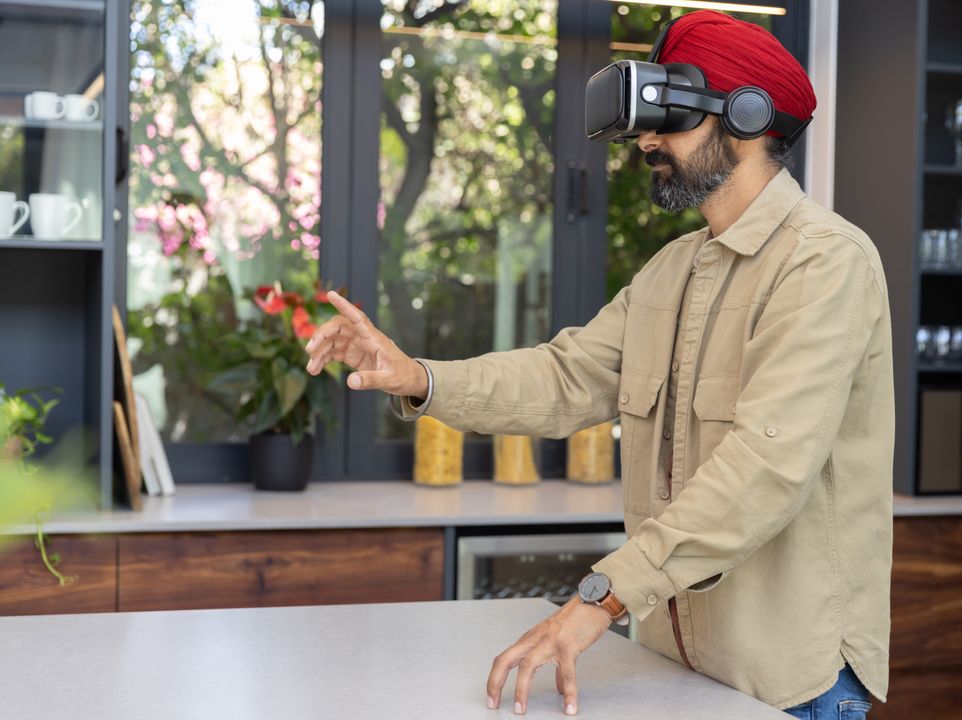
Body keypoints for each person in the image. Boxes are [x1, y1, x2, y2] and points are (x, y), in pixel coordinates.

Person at [304, 10, 893, 720]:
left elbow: (765, 468)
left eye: (669, 119)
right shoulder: (674, 269)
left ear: (746, 117)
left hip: (790, 684)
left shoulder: (825, 262)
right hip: (679, 669)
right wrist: (420, 377)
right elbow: (566, 377)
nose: (646, 141)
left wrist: (601, 599)